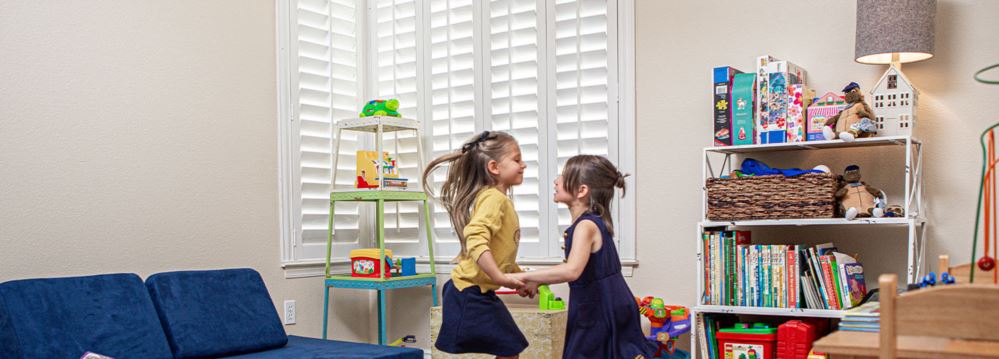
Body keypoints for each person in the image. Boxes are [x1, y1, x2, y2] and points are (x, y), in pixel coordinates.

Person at [510, 155, 655, 359]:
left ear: (581, 190)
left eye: (563, 175)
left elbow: (572, 270)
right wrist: (537, 281)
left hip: (601, 307)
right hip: (601, 303)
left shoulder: (586, 226)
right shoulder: (587, 223)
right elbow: (578, 266)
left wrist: (526, 276)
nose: (556, 180)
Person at [424, 131, 533, 359]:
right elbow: (475, 237)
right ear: (494, 167)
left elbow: (502, 255)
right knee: (510, 349)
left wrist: (521, 279)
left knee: (510, 349)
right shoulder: (494, 198)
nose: (523, 164)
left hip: (477, 292)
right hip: (468, 292)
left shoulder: (500, 200)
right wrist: (501, 278)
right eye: (516, 159)